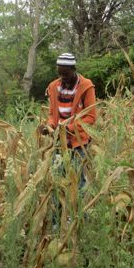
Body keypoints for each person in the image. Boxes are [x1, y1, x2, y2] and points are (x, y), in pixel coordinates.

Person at [38, 53, 97, 188]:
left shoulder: (86, 86)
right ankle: (60, 208)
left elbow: (91, 117)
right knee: (57, 178)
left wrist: (68, 129)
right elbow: (53, 114)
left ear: (73, 69)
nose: (63, 78)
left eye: (66, 74)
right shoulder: (54, 86)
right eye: (60, 74)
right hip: (59, 141)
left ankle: (79, 208)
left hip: (78, 141)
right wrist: (49, 126)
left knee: (77, 179)